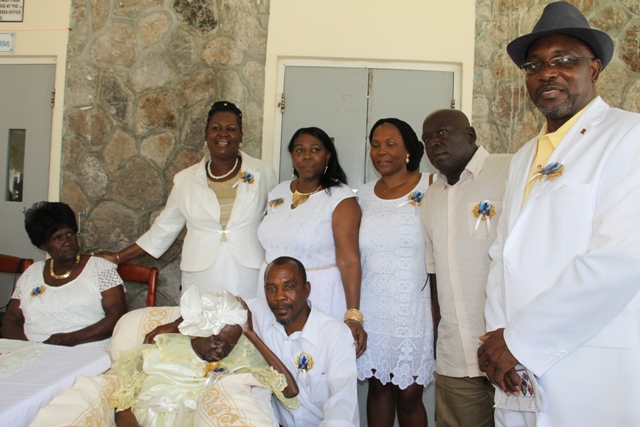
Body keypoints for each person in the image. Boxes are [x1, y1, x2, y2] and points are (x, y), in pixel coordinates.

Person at [478, 3, 640, 426]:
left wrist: (520, 341)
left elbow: (621, 259)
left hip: (587, 365)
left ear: (596, 69)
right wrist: (500, 342)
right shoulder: (523, 157)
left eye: (565, 60)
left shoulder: (629, 137)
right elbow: (503, 257)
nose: (548, 72)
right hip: (517, 370)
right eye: (536, 65)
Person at [98, 101, 277, 300]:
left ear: (241, 136)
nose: (223, 134)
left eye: (231, 129)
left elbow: (276, 223)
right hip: (201, 273)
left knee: (247, 325)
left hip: (248, 272)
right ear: (206, 135)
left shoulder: (264, 174)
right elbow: (163, 229)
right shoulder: (185, 180)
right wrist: (116, 258)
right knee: (199, 326)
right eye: (216, 128)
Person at [420, 109, 511, 427]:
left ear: (470, 135)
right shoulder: (430, 198)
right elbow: (434, 275)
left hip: (512, 350)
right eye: (428, 138)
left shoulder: (509, 170)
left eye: (442, 132)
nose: (434, 142)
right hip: (456, 356)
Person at [111, 285, 299, 427]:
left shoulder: (241, 357)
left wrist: (251, 335)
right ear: (202, 330)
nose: (221, 351)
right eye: (216, 341)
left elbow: (290, 391)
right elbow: (122, 405)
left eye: (230, 345)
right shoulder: (161, 348)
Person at [256, 127, 366, 356]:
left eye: (315, 150)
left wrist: (353, 314)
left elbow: (348, 259)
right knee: (274, 363)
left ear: (327, 156)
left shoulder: (340, 197)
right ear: (292, 157)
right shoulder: (278, 191)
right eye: (300, 150)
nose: (306, 156)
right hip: (272, 293)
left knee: (314, 366)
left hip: (318, 296)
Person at [357, 118, 434, 427]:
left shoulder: (431, 186)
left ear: (408, 151)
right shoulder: (361, 195)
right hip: (372, 310)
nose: (381, 151)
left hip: (413, 310)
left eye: (390, 144)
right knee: (377, 389)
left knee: (409, 395)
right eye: (375, 145)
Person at [246, 256, 360, 427]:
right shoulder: (259, 314)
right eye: (271, 289)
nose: (279, 297)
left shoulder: (335, 335)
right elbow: (217, 308)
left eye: (289, 287)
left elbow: (342, 406)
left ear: (306, 290)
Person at [0, 202, 127, 350]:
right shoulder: (32, 273)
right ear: (42, 245)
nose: (67, 242)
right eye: (57, 238)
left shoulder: (100, 268)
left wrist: (70, 339)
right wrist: (27, 350)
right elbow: (11, 319)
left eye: (69, 234)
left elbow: (116, 316)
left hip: (85, 351)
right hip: (33, 352)